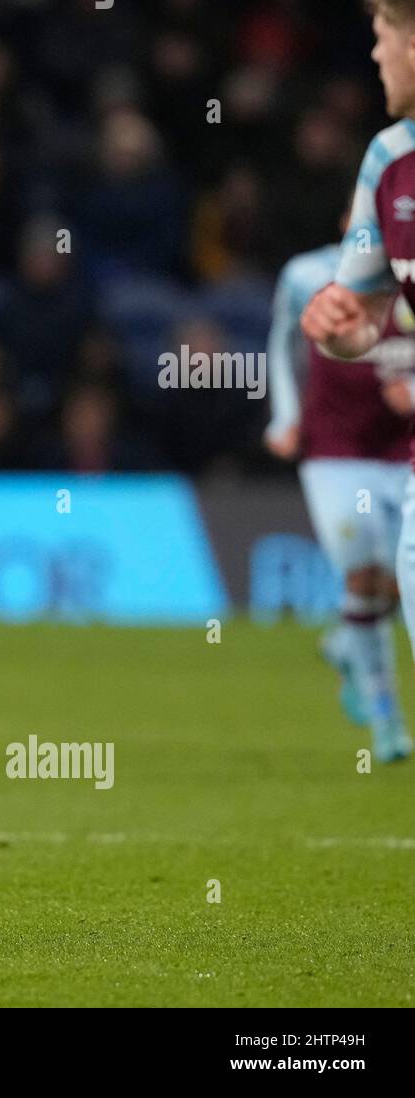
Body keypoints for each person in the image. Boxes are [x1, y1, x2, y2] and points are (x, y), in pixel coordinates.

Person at [300, 0, 415, 763]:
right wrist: (347, 330)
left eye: (383, 36)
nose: (375, 55)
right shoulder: (388, 159)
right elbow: (369, 312)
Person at [267, 236, 412, 761]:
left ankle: (348, 640)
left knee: (398, 583)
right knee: (363, 573)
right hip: (336, 450)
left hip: (405, 448)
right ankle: (387, 721)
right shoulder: (313, 276)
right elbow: (285, 341)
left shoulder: (407, 278)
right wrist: (285, 417)